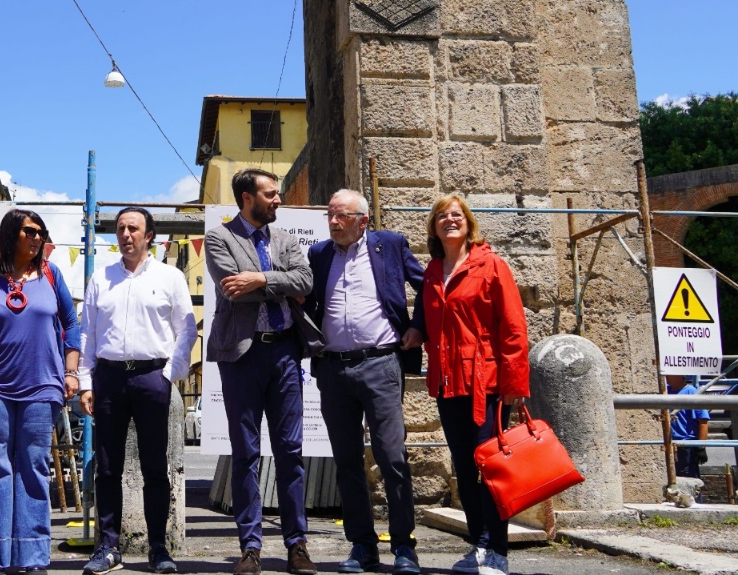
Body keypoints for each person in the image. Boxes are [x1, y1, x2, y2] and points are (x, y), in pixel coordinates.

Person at [402, 195, 529, 575]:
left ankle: (498, 550)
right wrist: (414, 331)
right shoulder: (432, 270)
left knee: (489, 465)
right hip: (447, 382)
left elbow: (512, 327)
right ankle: (479, 543)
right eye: (441, 216)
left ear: (468, 223)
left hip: (485, 382)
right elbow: (426, 315)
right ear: (434, 227)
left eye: (456, 215)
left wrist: (513, 383)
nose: (449, 220)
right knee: (463, 464)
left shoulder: (490, 265)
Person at [302, 190, 423, 575]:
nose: (334, 223)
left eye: (341, 217)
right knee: (347, 461)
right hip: (334, 371)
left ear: (363, 221)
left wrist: (420, 326)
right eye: (330, 216)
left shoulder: (389, 245)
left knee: (391, 457)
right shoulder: (319, 254)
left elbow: (430, 285)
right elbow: (306, 304)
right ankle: (362, 545)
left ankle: (404, 546)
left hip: (381, 364)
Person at [205, 169, 319, 575]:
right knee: (246, 454)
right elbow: (231, 289)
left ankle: (297, 546)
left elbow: (306, 280)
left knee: (290, 452)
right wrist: (279, 284)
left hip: (286, 353)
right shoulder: (220, 237)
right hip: (242, 357)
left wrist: (260, 278)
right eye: (271, 194)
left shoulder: (286, 239)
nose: (278, 200)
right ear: (246, 198)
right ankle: (250, 548)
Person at [77, 207, 198, 575]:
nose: (126, 234)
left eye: (134, 228)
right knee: (107, 467)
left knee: (155, 468)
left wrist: (169, 375)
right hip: (110, 379)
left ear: (149, 236)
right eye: (121, 228)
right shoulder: (101, 278)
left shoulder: (170, 277)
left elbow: (187, 331)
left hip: (151, 378)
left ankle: (158, 548)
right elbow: (87, 335)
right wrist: (85, 381)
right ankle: (109, 547)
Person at [0, 209, 81, 574]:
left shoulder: (52, 274)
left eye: (40, 232)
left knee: (33, 467)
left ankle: (33, 557)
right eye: (29, 232)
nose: (37, 238)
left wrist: (71, 372)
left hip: (42, 386)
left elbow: (71, 324)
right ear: (10, 235)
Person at [666, 374, 710, 478]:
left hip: (686, 445)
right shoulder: (666, 391)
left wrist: (701, 448)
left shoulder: (691, 392)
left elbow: (703, 422)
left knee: (688, 477)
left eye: (669, 374)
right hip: (671, 443)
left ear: (680, 376)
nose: (666, 377)